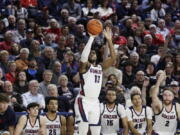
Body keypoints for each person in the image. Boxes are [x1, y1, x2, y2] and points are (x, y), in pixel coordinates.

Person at [74, 27, 116, 135]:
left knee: (96, 131)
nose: (92, 53)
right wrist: (91, 38)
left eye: (94, 52)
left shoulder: (100, 67)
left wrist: (110, 40)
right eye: (90, 52)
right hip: (83, 100)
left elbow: (113, 59)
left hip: (95, 102)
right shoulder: (84, 67)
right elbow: (83, 56)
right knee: (83, 128)